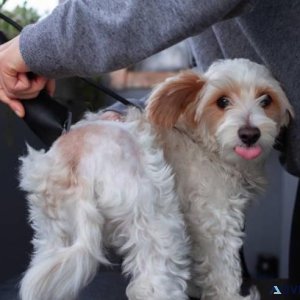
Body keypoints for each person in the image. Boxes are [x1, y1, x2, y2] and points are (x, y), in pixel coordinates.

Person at [0, 0, 299, 299]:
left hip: (67, 165)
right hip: (108, 160)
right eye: (224, 103)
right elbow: (215, 235)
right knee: (161, 268)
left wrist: (35, 48)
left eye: (265, 101)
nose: (249, 122)